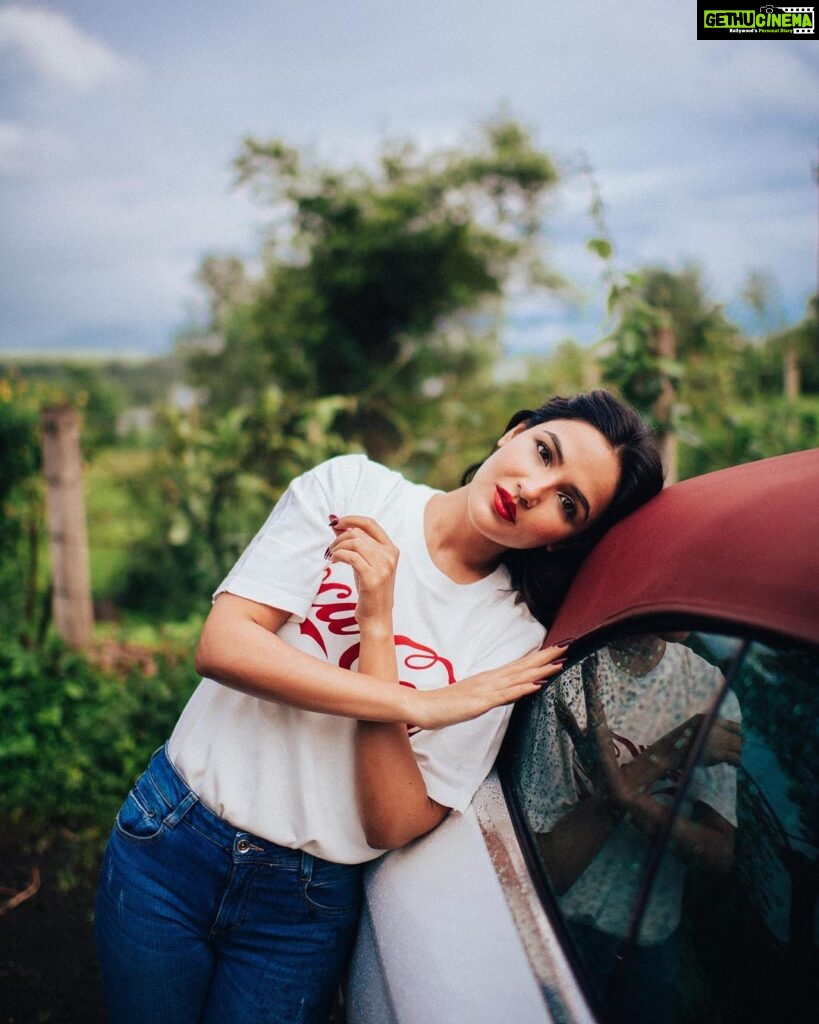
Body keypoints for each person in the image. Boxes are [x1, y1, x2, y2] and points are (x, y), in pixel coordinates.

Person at [94, 389, 663, 1024]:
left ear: (566, 539)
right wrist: (426, 703)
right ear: (513, 432)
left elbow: (390, 823)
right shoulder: (356, 489)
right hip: (175, 840)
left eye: (567, 503)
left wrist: (379, 625)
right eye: (542, 451)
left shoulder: (512, 640)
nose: (533, 489)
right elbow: (225, 645)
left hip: (304, 905)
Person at [530, 637, 742, 1024]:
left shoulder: (707, 687)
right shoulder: (574, 670)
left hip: (649, 944)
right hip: (558, 925)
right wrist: (668, 754)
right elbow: (546, 864)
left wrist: (626, 796)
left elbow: (718, 856)